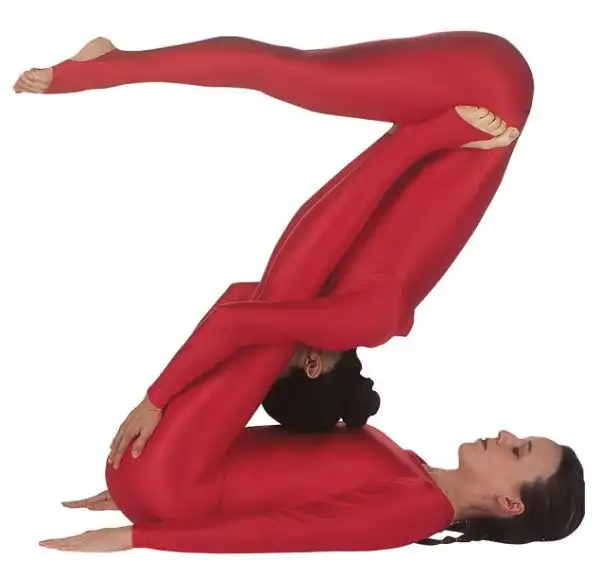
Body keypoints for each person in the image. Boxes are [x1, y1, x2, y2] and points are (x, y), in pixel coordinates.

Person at [16, 31, 583, 553]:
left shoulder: (417, 509)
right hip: (162, 478)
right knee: (273, 291)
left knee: (292, 88)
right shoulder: (411, 467)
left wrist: (139, 532)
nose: (506, 434)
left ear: (510, 503)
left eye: (518, 450)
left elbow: (280, 533)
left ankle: (109, 67)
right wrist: (137, 497)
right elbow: (268, 470)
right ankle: (112, 66)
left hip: (170, 480)